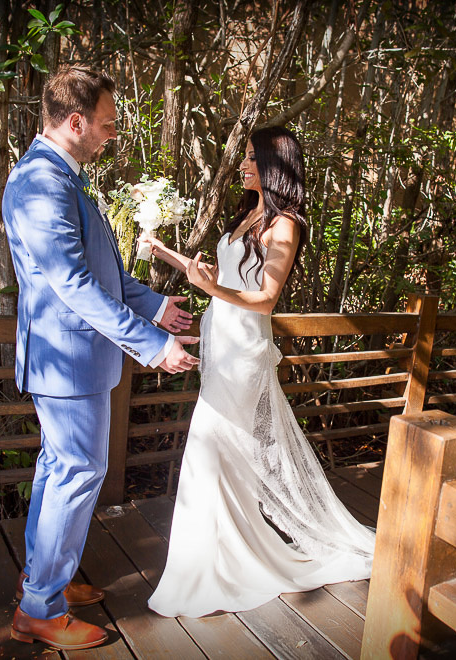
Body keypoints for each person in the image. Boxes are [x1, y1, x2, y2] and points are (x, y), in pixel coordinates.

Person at [1, 65, 199, 649]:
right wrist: (152, 343)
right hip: (67, 362)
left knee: (59, 470)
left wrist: (155, 304)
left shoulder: (65, 176)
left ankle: (40, 580)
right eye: (108, 126)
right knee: (76, 473)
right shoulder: (41, 182)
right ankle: (39, 607)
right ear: (76, 121)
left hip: (77, 360)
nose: (113, 134)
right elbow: (72, 285)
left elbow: (99, 271)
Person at [142, 126, 376, 618]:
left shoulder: (285, 223)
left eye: (251, 158)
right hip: (220, 346)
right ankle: (223, 558)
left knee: (210, 450)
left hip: (244, 353)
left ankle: (212, 568)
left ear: (274, 165)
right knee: (219, 455)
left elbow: (265, 298)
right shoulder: (249, 214)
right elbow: (221, 278)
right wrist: (164, 252)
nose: (243, 164)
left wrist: (212, 291)